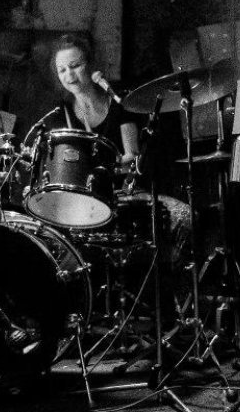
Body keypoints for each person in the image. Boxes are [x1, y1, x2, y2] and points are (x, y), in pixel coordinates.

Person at [37, 34, 192, 262]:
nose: (69, 75)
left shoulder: (118, 103)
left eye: (75, 65)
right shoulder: (60, 114)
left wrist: (112, 167)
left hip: (127, 193)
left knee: (185, 217)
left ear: (91, 65)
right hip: (84, 202)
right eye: (62, 70)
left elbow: (132, 156)